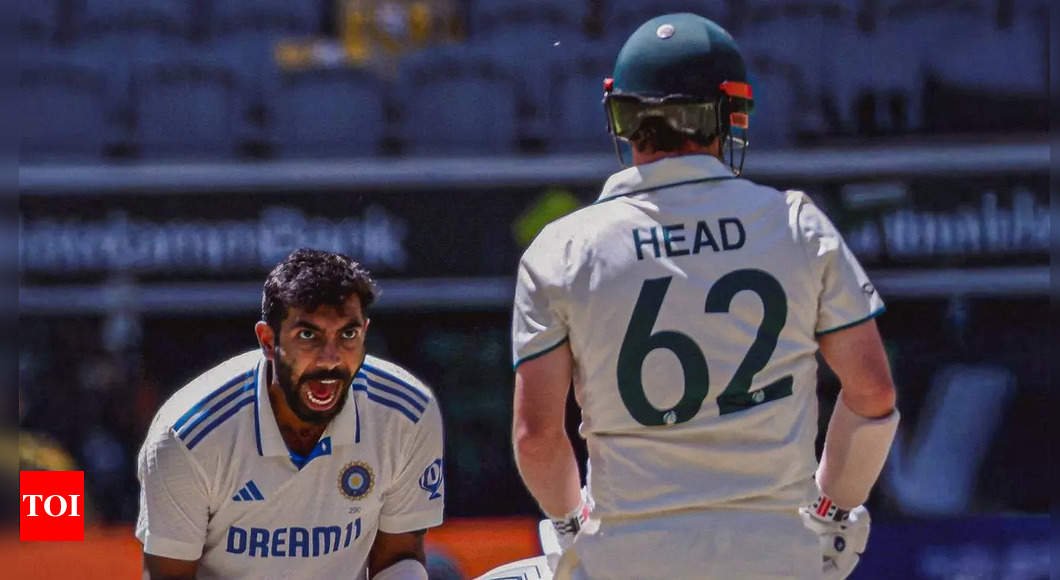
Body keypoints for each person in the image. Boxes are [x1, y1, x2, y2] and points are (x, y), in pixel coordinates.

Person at [508, 13, 899, 580]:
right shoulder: (795, 224)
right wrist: (832, 513)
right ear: (727, 114)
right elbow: (873, 393)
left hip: (628, 559)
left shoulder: (561, 249)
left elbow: (537, 437)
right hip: (776, 556)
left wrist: (572, 526)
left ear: (622, 118)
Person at [136, 249, 444, 580]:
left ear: (365, 332)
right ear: (268, 341)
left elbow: (398, 556)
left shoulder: (408, 413)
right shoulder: (186, 436)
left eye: (348, 334)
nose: (330, 359)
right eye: (308, 335)